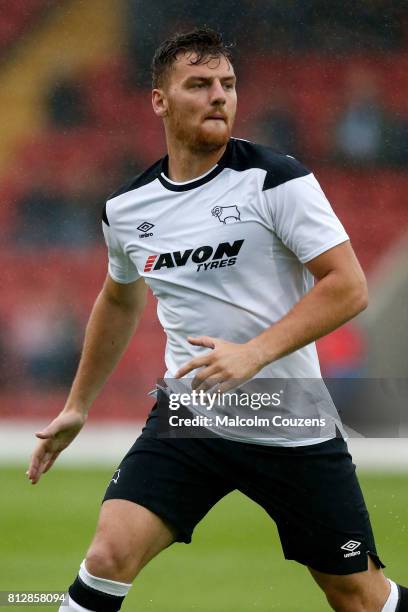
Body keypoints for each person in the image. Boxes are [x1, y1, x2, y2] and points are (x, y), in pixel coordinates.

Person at [27, 28, 407, 612]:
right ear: (159, 99)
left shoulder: (275, 179)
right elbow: (119, 299)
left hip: (288, 419)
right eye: (199, 84)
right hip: (190, 419)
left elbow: (348, 287)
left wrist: (253, 352)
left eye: (227, 84)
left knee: (356, 596)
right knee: (106, 559)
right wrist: (78, 404)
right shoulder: (126, 209)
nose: (219, 96)